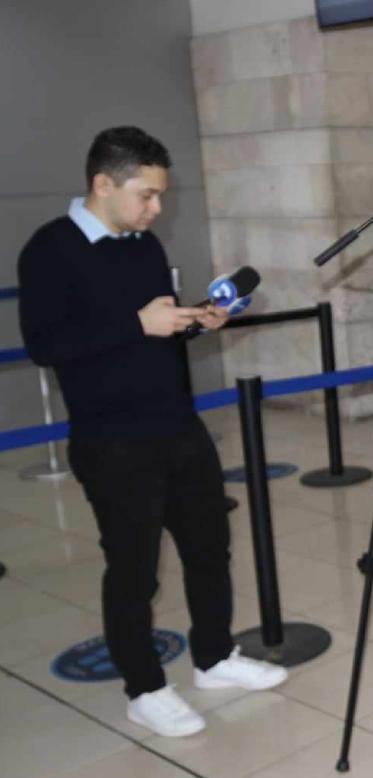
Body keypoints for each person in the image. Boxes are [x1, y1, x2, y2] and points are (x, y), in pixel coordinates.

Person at [17, 126, 287, 738]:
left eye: (160, 195)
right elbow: (46, 344)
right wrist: (136, 323)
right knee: (134, 570)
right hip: (111, 438)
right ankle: (144, 688)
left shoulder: (141, 246)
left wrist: (195, 321)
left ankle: (214, 657)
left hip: (177, 424)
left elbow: (153, 331)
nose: (157, 209)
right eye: (147, 195)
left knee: (209, 548)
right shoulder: (50, 250)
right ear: (102, 183)